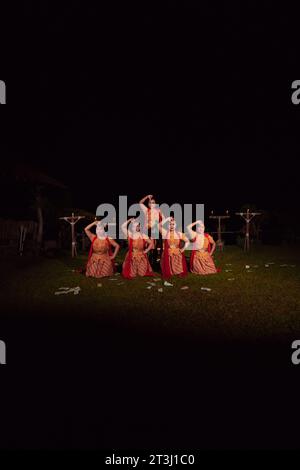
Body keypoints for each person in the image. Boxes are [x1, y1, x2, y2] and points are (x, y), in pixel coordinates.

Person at [139, 194, 164, 267]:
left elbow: (164, 219)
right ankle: (148, 262)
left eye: (153, 203)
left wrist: (159, 224)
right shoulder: (146, 210)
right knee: (148, 245)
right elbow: (140, 202)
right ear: (148, 204)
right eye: (150, 203)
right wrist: (147, 197)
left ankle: (155, 262)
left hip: (155, 229)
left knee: (156, 245)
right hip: (147, 229)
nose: (151, 204)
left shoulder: (158, 211)